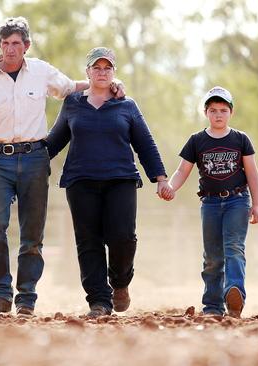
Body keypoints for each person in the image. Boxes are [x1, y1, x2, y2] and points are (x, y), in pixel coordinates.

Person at [0, 17, 124, 317]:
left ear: (26, 46)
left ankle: (26, 298)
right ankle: (0, 294)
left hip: (35, 156)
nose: (10, 50)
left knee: (32, 234)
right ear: (0, 45)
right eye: (6, 43)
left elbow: (70, 87)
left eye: (16, 44)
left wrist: (106, 83)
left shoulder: (41, 71)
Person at [46, 47, 168, 317]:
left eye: (107, 68)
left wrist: (160, 178)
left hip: (120, 179)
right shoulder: (73, 103)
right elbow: (54, 141)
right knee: (88, 241)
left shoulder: (127, 105)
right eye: (96, 68)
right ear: (87, 72)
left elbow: (145, 143)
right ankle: (99, 301)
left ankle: (120, 282)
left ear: (114, 72)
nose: (102, 72)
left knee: (123, 236)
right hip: (81, 181)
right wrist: (27, 164)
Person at [161, 86, 258, 318]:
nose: (218, 114)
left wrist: (256, 204)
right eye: (213, 110)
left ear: (231, 113)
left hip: (237, 200)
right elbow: (182, 171)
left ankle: (234, 295)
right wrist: (171, 187)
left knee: (234, 248)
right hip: (210, 203)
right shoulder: (197, 141)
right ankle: (212, 306)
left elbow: (252, 173)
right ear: (206, 112)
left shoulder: (240, 139)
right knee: (212, 256)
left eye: (223, 110)